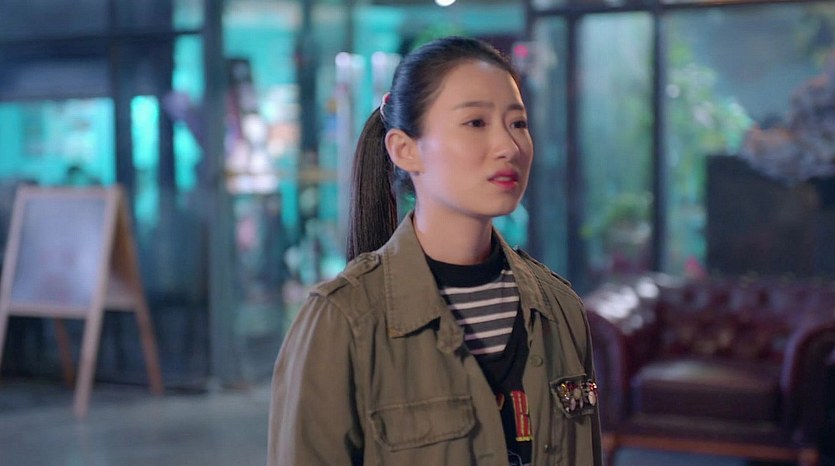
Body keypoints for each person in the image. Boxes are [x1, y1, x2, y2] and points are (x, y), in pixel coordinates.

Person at [268, 36, 602, 466]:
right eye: (476, 122)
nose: (509, 146)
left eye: (518, 123)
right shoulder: (342, 321)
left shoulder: (560, 310)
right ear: (405, 150)